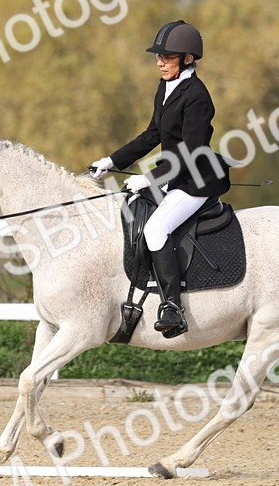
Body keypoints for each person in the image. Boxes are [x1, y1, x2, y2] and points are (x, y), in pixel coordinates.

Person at [90, 20, 231, 338]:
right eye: (159, 56)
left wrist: (150, 179)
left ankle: (172, 308)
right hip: (173, 176)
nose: (159, 61)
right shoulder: (165, 87)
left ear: (188, 59)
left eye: (167, 57)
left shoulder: (198, 97)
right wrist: (112, 161)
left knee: (156, 228)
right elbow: (153, 134)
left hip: (195, 180)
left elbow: (192, 153)